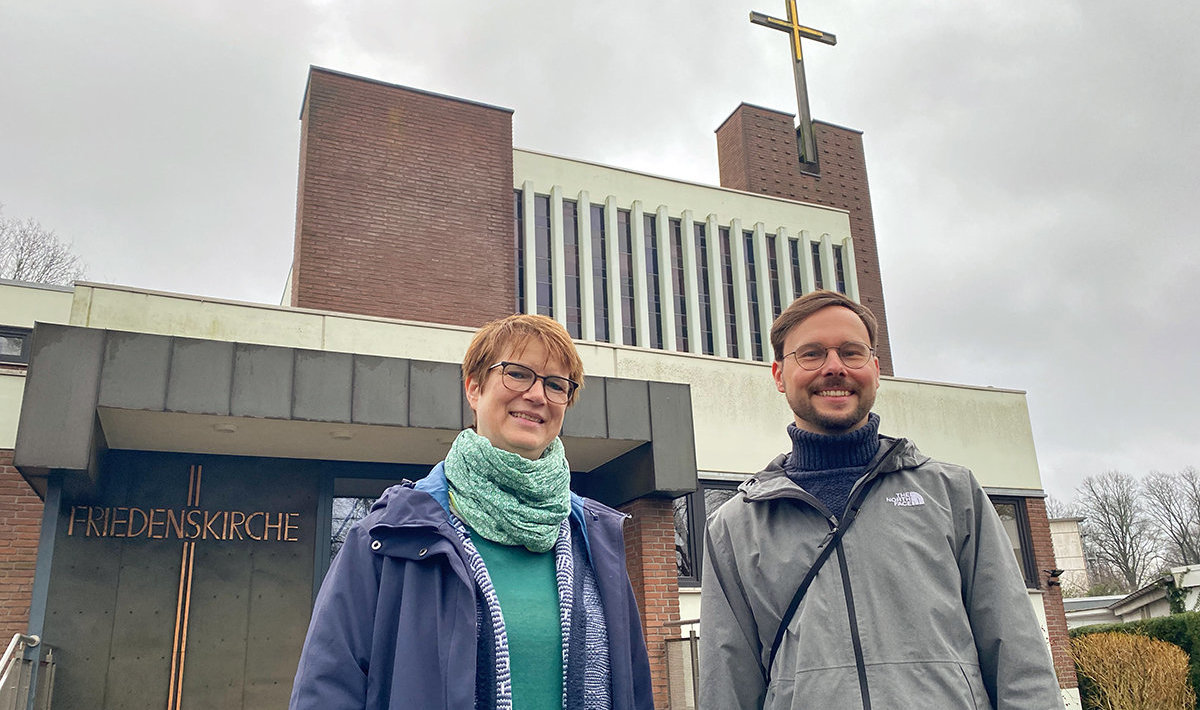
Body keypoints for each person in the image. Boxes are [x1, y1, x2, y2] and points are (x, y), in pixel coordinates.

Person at [699, 291, 1063, 709]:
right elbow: (725, 683)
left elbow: (1019, 657)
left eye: (851, 353)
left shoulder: (953, 492)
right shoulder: (734, 526)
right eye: (812, 354)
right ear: (780, 375)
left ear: (874, 368)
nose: (834, 367)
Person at [290, 314, 654, 710]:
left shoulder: (597, 537)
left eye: (555, 384)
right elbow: (327, 688)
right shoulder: (389, 535)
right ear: (474, 388)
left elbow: (633, 689)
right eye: (518, 373)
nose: (537, 395)